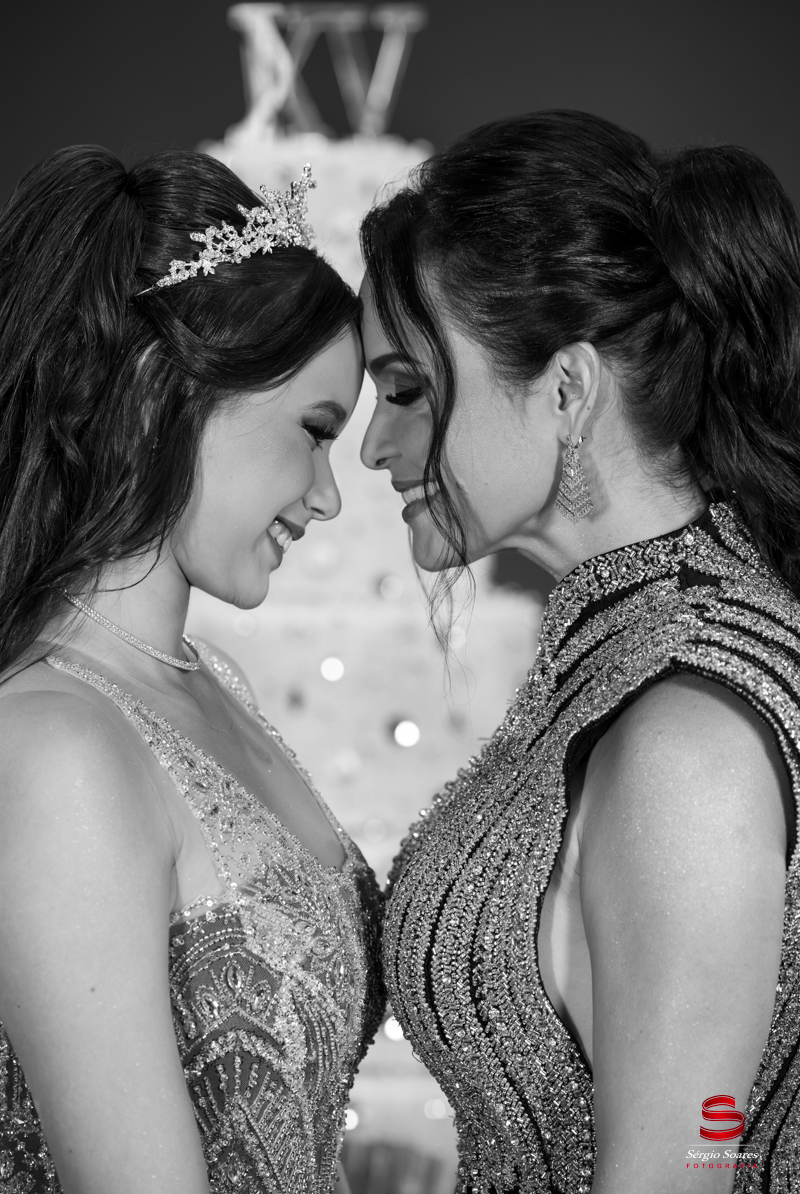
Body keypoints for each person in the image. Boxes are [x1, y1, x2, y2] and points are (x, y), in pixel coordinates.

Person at [358, 109, 800, 1193]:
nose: (374, 444)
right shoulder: (630, 660)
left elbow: (694, 1158)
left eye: (408, 390)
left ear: (566, 390)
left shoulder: (690, 739)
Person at [0, 145, 384, 1194]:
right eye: (313, 432)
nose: (327, 497)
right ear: (159, 388)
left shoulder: (214, 686)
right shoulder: (53, 745)